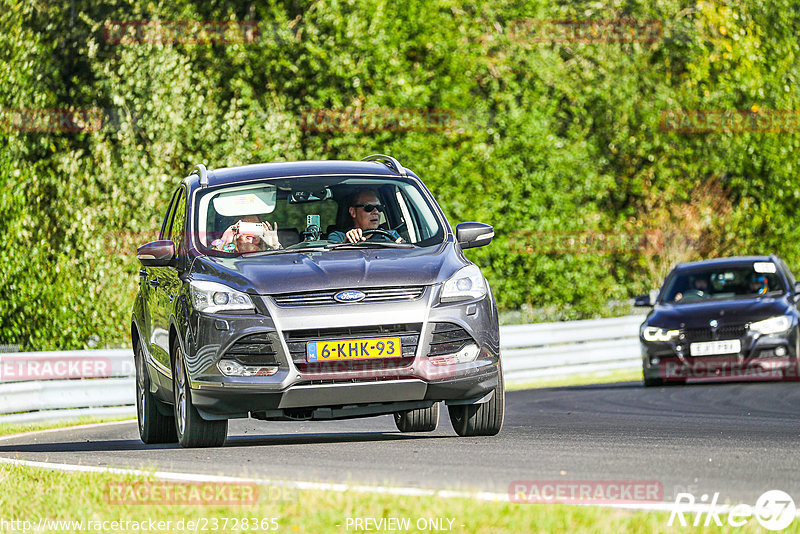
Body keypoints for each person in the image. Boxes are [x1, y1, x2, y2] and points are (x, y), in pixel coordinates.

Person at [327, 189, 403, 244]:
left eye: (379, 208)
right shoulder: (338, 237)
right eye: (369, 208)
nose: (376, 212)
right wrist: (346, 243)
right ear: (353, 212)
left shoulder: (391, 236)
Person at [211, 215, 281, 253]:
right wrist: (224, 240)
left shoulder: (267, 255)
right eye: (246, 228)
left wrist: (275, 246)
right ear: (236, 232)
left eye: (256, 228)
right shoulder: (228, 255)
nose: (251, 234)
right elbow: (213, 265)